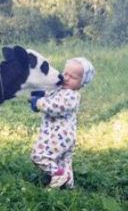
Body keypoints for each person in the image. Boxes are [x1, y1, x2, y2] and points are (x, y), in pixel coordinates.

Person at [30, 57, 95, 189]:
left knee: (39, 156)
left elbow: (56, 107)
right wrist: (41, 93)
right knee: (63, 161)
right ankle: (68, 185)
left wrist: (38, 103)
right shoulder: (62, 89)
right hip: (64, 136)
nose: (66, 78)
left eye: (73, 77)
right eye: (65, 73)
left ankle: (59, 174)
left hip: (59, 135)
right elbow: (50, 92)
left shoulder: (71, 95)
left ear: (82, 83)